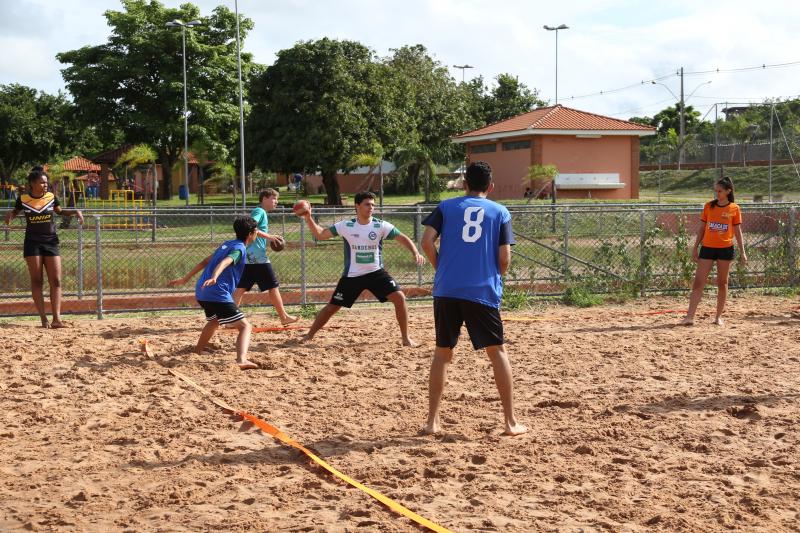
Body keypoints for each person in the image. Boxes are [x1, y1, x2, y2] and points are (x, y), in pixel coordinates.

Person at [420, 161, 527, 436]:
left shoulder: (446, 206)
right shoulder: (500, 211)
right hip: (481, 290)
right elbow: (505, 257)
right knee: (497, 352)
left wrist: (440, 267)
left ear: (464, 184)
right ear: (490, 187)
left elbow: (426, 241)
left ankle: (432, 421)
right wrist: (496, 277)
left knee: (442, 354)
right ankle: (510, 422)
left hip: (447, 289)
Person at [297, 191, 425, 346]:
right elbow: (320, 234)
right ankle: (309, 335)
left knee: (399, 297)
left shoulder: (380, 225)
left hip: (376, 273)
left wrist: (415, 252)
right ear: (357, 206)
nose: (370, 207)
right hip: (352, 275)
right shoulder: (346, 225)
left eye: (372, 205)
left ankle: (406, 338)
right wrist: (309, 217)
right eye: (367, 204)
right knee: (332, 307)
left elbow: (402, 237)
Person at [167, 216, 260, 370]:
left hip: (202, 292)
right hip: (217, 292)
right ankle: (242, 360)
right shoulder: (239, 248)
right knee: (245, 326)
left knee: (215, 321)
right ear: (250, 234)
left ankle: (197, 351)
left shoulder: (226, 244)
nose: (257, 232)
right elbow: (226, 262)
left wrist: (185, 279)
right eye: (256, 230)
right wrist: (215, 277)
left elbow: (205, 261)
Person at [3, 168, 84, 328]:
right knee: (37, 280)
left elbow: (60, 212)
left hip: (51, 241)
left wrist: (76, 211)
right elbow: (14, 212)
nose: (45, 185)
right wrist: (9, 218)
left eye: (46, 182)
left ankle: (57, 319)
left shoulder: (51, 197)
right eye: (42, 182)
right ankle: (43, 319)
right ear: (32, 184)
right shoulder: (23, 199)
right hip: (32, 243)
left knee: (56, 280)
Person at [680, 176, 747, 326]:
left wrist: (743, 252)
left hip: (725, 249)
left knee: (722, 283)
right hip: (708, 248)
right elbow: (702, 228)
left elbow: (738, 231)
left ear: (728, 191)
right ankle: (689, 317)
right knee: (698, 282)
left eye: (720, 191)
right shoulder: (708, 206)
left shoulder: (734, 208)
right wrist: (695, 247)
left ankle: (718, 317)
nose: (717, 193)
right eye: (715, 191)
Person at [233, 188, 298, 325]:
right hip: (258, 258)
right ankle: (284, 317)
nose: (276, 202)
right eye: (274, 198)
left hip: (250, 257)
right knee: (273, 287)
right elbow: (250, 226)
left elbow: (253, 229)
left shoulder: (261, 212)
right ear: (264, 199)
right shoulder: (259, 211)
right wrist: (270, 237)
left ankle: (230, 319)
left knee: (241, 289)